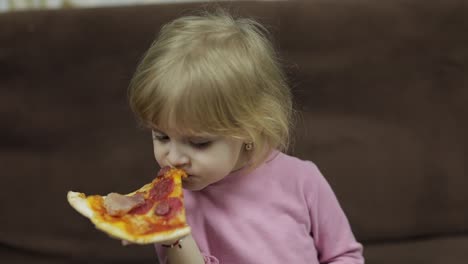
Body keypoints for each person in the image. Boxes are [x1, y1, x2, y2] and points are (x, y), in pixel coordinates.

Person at [127, 9, 364, 264]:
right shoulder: (171, 204)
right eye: (161, 137)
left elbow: (344, 255)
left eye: (199, 143)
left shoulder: (302, 180)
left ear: (249, 128)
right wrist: (173, 235)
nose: (173, 158)